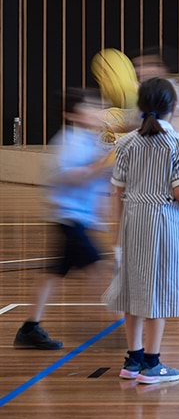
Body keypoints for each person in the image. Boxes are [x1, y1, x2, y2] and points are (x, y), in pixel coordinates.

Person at [104, 78, 179, 385]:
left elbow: (116, 192)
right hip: (163, 222)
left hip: (133, 220)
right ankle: (152, 365)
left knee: (133, 290)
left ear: (140, 107)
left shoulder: (126, 143)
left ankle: (133, 360)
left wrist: (117, 234)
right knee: (159, 290)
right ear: (172, 108)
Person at [12, 89, 110, 351]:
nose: (96, 112)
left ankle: (29, 328)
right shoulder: (69, 142)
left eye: (97, 107)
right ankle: (116, 326)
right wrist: (99, 167)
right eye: (89, 108)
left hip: (80, 218)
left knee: (53, 274)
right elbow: (69, 176)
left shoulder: (94, 141)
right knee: (100, 269)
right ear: (71, 115)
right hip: (69, 217)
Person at [133, 48, 179, 278]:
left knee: (178, 208)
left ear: (160, 68)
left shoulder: (173, 90)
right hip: (153, 158)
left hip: (173, 158)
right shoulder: (143, 93)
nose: (140, 70)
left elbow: (158, 119)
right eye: (137, 67)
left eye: (146, 65)